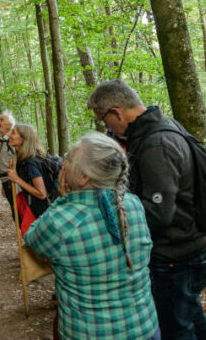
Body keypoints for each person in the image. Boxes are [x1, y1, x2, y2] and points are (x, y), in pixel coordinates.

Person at [88, 79, 206, 339]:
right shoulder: (163, 126)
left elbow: (157, 214)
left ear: (116, 112)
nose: (106, 127)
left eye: (104, 120)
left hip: (176, 254)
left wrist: (113, 221)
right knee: (190, 315)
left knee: (175, 327)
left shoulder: (157, 144)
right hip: (187, 246)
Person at [25, 132, 159, 340]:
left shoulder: (61, 220)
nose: (62, 163)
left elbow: (33, 240)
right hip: (144, 326)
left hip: (90, 332)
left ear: (84, 176)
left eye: (68, 158)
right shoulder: (133, 204)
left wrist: (63, 200)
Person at [6, 123, 49, 235]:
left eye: (13, 132)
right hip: (38, 210)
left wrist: (17, 179)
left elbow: (41, 193)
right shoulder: (24, 159)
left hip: (42, 212)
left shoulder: (31, 163)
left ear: (23, 139)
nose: (9, 134)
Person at [0, 111, 16, 218]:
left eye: (1, 120)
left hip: (15, 183)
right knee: (14, 211)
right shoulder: (1, 140)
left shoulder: (14, 140)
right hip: (6, 182)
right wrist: (3, 185)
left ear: (9, 126)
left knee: (18, 211)